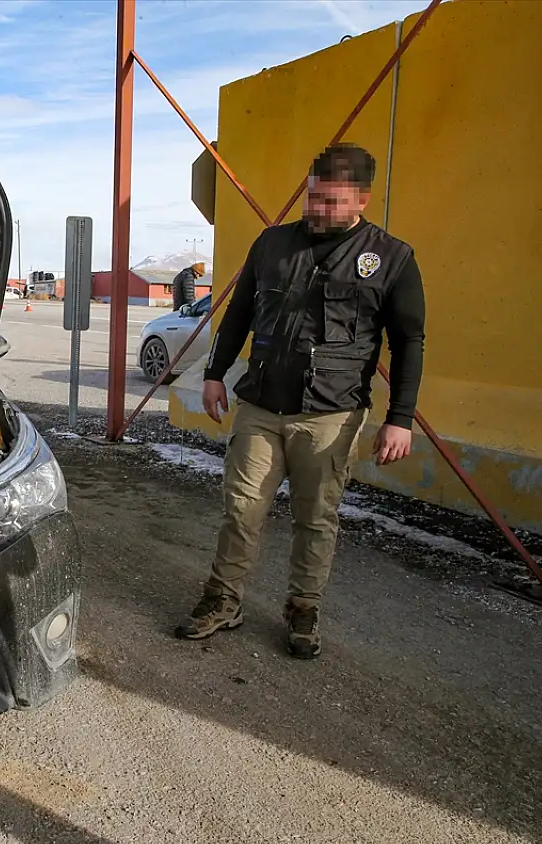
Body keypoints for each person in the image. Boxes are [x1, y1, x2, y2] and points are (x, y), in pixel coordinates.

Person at [175, 142, 426, 659]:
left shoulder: (392, 258)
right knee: (241, 510)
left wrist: (399, 418)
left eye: (332, 201)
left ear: (362, 199)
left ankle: (302, 609)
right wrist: (215, 374)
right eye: (314, 197)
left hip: (332, 415)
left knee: (316, 518)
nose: (318, 209)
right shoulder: (271, 246)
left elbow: (409, 343)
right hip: (262, 406)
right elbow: (239, 312)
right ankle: (223, 600)